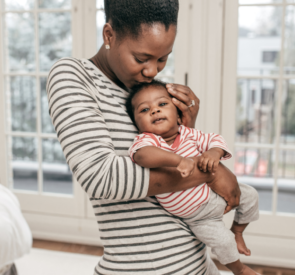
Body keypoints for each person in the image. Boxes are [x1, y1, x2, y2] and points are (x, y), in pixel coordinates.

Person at [46, 0, 241, 274]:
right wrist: (212, 172)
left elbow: (178, 170)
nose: (152, 72)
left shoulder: (148, 92)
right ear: (109, 35)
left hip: (199, 263)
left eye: (163, 58)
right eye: (141, 59)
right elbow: (102, 177)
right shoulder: (74, 76)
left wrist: (185, 127)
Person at [127, 80, 259, 275]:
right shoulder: (147, 141)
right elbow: (142, 156)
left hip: (216, 195)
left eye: (162, 104)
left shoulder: (189, 134)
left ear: (179, 116)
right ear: (138, 126)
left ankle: (238, 231)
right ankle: (239, 269)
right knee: (223, 242)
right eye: (145, 110)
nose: (154, 110)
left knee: (251, 195)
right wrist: (178, 160)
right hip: (197, 217)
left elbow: (216, 140)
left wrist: (214, 153)